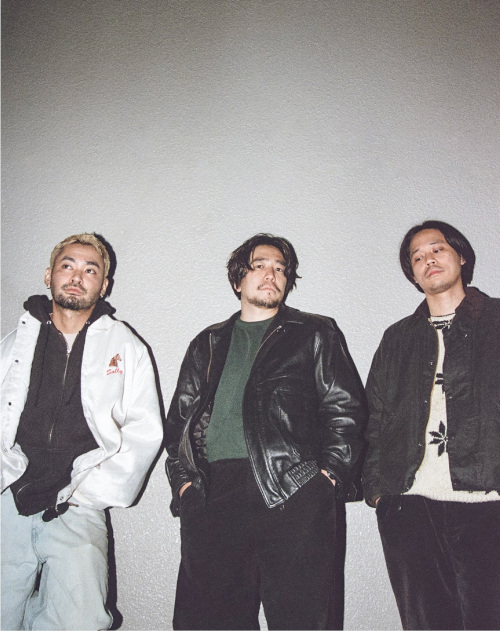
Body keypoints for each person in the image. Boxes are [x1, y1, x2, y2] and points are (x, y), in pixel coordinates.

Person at [165, 233, 367, 630]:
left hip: (293, 490)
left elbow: (345, 410)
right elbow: (179, 426)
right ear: (237, 280)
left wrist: (326, 479)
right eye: (259, 266)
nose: (271, 274)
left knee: (302, 621)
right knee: (209, 622)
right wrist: (186, 486)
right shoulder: (207, 343)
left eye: (280, 268)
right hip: (213, 495)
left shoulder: (314, 333)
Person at [1, 233, 163, 630]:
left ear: (103, 285)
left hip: (76, 502)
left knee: (78, 620)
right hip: (8, 498)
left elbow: (145, 430)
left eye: (90, 270)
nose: (77, 277)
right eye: (67, 266)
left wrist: (92, 491)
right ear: (49, 275)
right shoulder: (13, 343)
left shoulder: (124, 345)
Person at [363, 220, 500, 630]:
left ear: (461, 256)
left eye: (437, 249)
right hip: (411, 508)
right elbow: (373, 418)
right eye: (417, 257)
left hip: (488, 504)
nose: (429, 260)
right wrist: (379, 492)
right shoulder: (397, 338)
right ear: (413, 274)